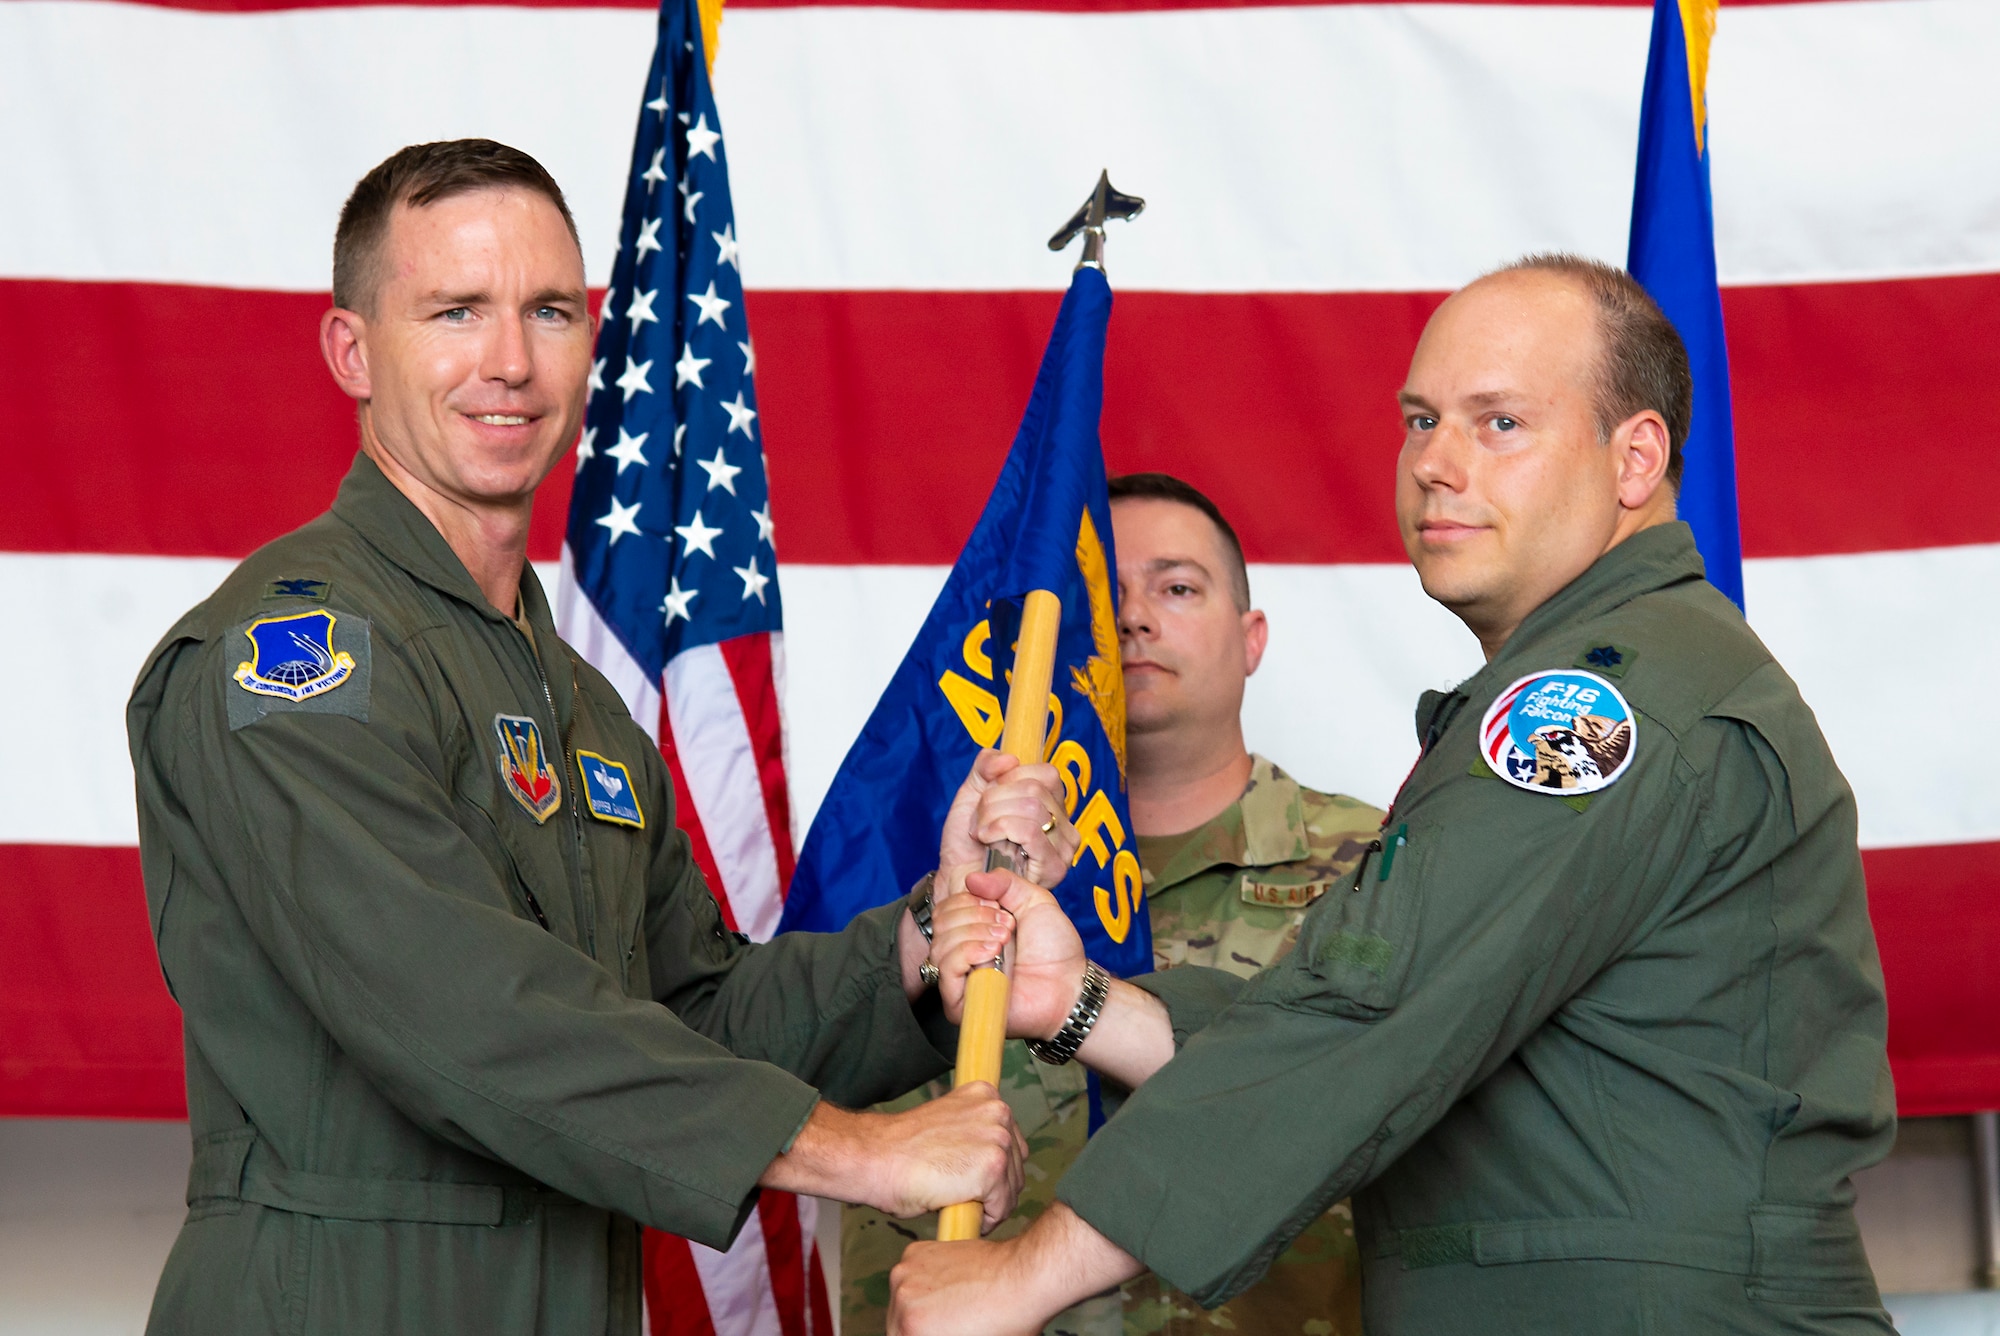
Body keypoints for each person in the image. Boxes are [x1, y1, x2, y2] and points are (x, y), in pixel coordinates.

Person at [124, 139, 1077, 1336]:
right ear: (352, 353)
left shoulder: (580, 704)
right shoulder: (295, 660)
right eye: (456, 311)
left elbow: (694, 1011)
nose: (511, 362)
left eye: (551, 311)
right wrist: (863, 1156)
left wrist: (923, 935)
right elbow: (467, 1015)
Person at [892, 255, 1896, 1335]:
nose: (1434, 464)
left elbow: (1369, 1023)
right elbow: (1426, 1040)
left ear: (1633, 458)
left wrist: (1024, 1276)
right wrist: (1086, 1004)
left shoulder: (1599, 702)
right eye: (1420, 421)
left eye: (1498, 422)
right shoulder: (1604, 674)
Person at [842, 474, 1385, 1335]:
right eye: (1106, 598)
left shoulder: (1379, 869)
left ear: (1252, 640)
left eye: (1177, 588)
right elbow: (893, 1215)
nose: (1134, 619)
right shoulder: (961, 894)